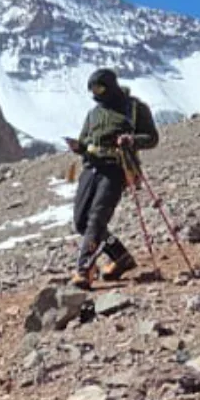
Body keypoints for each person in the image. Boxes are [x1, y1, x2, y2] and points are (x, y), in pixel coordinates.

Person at [65, 69, 158, 284]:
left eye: (99, 88)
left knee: (97, 218)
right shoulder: (94, 113)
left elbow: (152, 138)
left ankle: (84, 269)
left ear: (110, 86)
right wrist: (79, 147)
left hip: (117, 168)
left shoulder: (134, 108)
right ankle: (121, 257)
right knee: (81, 222)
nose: (95, 94)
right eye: (92, 90)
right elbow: (85, 140)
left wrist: (132, 140)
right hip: (91, 167)